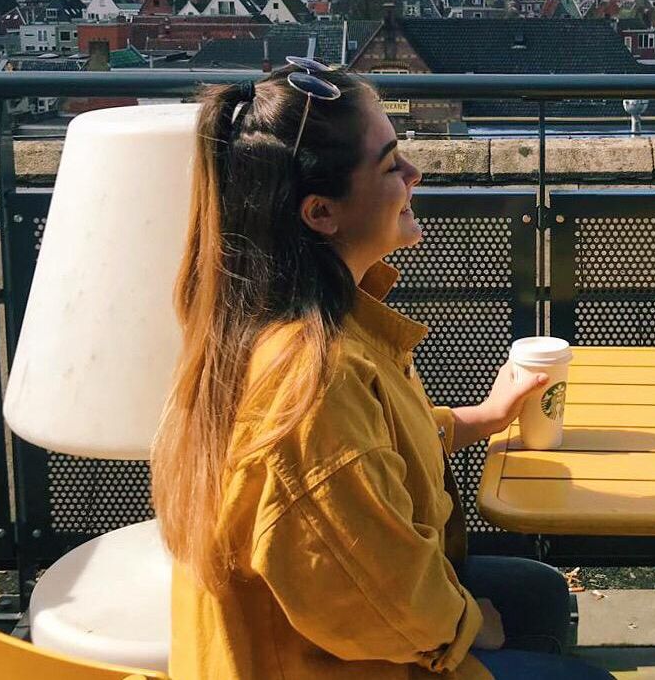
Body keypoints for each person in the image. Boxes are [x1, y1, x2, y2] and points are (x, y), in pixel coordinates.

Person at [151, 58, 614, 680]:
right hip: (325, 663)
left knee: (540, 595)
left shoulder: (274, 320)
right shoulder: (314, 383)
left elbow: (371, 458)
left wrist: (482, 418)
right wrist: (464, 626)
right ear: (321, 213)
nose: (414, 175)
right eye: (392, 164)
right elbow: (378, 601)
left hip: (287, 647)